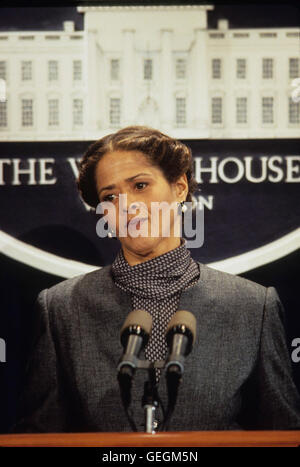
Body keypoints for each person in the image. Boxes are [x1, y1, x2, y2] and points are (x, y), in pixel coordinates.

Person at [13, 126, 300, 433]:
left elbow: (281, 431)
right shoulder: (60, 308)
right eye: (110, 196)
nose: (126, 206)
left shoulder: (253, 306)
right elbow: (40, 435)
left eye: (140, 185)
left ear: (179, 188)